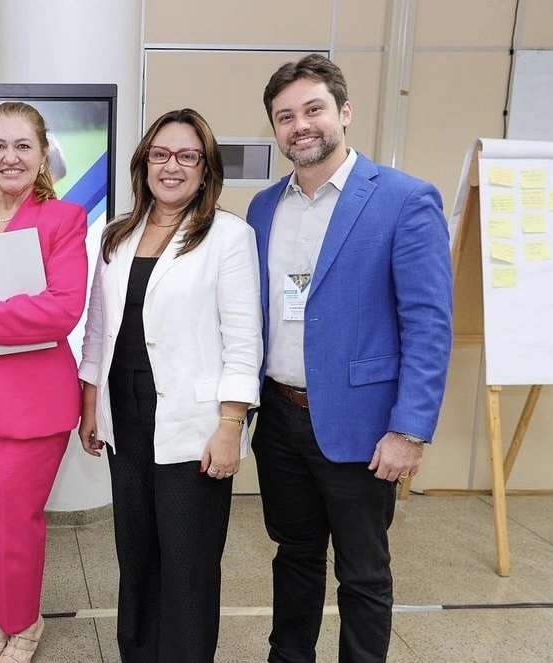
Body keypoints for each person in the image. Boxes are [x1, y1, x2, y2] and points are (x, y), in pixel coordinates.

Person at [245, 54, 453, 663]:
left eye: (313, 109)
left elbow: (428, 323)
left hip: (363, 427)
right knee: (295, 555)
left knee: (363, 572)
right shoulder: (263, 208)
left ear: (344, 113)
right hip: (281, 418)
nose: (299, 125)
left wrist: (409, 428)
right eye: (285, 116)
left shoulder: (403, 199)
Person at [76, 108, 262, 663]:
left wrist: (231, 425)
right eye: (161, 154)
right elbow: (97, 330)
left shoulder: (229, 236)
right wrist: (91, 405)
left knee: (188, 561)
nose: (172, 166)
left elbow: (244, 340)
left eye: (187, 156)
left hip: (193, 422)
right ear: (144, 164)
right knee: (136, 556)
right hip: (124, 416)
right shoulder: (117, 235)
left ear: (205, 169)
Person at [0, 101, 88, 663]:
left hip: (31, 400)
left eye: (23, 146)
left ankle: (24, 625)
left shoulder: (63, 218)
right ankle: (1, 621)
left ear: (43, 153)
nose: (10, 157)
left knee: (15, 518)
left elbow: (61, 309)